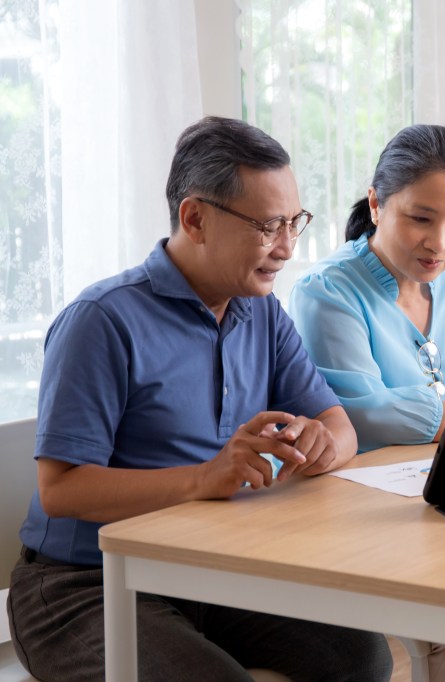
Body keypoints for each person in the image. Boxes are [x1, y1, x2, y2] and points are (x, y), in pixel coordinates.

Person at [5, 116, 393, 682]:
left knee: (361, 658)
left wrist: (322, 443)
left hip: (210, 572)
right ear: (195, 219)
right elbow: (60, 489)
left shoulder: (261, 311)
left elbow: (340, 425)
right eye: (267, 226)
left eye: (294, 223)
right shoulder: (102, 321)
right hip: (82, 586)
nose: (286, 247)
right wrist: (203, 478)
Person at [290, 124, 445, 681]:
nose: (440, 243)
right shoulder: (326, 290)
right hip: (370, 515)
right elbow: (360, 411)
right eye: (420, 219)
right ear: (377, 204)